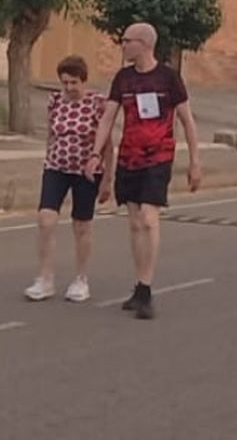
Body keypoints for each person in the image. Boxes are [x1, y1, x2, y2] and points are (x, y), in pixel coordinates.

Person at [85, 22, 202, 320]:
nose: (122, 45)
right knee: (135, 221)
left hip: (158, 156)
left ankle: (147, 288)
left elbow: (187, 120)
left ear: (144, 44)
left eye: (127, 41)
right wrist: (95, 154)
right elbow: (108, 118)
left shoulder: (168, 78)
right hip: (129, 157)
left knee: (150, 219)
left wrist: (194, 161)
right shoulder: (123, 79)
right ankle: (139, 284)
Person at [25, 56, 111, 303]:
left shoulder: (97, 103)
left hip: (86, 170)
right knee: (46, 219)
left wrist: (107, 178)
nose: (70, 88)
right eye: (65, 83)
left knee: (81, 224)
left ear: (83, 81)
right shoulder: (54, 101)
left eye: (74, 82)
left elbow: (107, 144)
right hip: (56, 166)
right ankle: (45, 278)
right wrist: (47, 156)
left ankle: (81, 278)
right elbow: (51, 133)